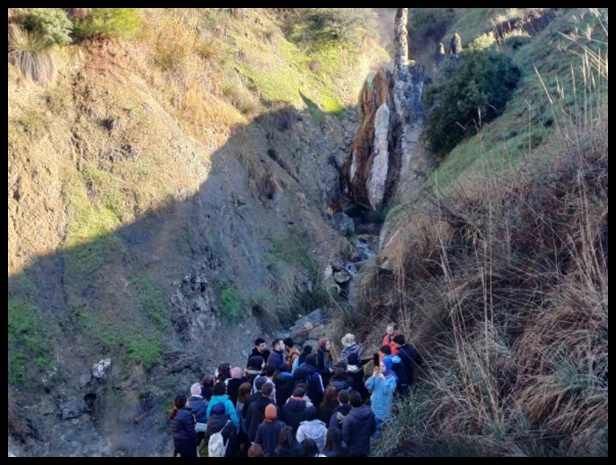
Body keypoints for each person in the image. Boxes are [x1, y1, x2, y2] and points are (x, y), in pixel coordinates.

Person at [365, 359, 397, 434]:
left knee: (384, 425)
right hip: (375, 405)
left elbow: (387, 391)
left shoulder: (392, 379)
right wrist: (372, 377)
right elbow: (368, 386)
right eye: (380, 365)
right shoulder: (377, 376)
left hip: (384, 406)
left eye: (383, 366)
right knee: (375, 426)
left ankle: (385, 438)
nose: (381, 367)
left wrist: (383, 379)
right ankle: (376, 439)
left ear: (388, 367)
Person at [342, 391, 376, 457]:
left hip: (353, 451)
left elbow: (346, 438)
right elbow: (373, 429)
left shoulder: (348, 419)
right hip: (366, 448)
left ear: (349, 402)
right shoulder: (370, 412)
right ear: (361, 400)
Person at [236, 382, 253, 457]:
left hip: (241, 424)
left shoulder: (239, 400)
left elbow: (237, 413)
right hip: (247, 424)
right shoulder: (250, 401)